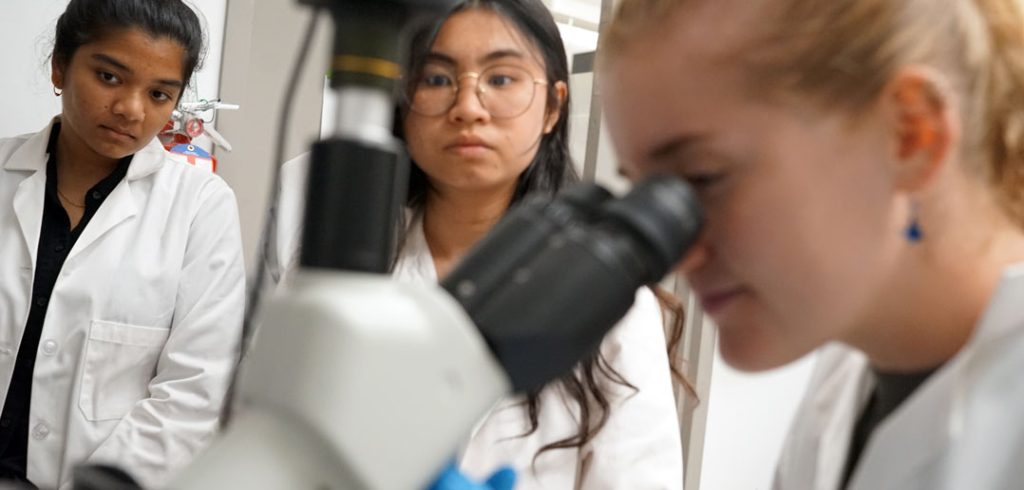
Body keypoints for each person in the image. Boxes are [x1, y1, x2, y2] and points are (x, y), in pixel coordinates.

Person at [593, 0, 1024, 488]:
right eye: (646, 192)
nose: (675, 253)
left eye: (703, 177)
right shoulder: (847, 382)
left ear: (909, 134)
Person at [273, 0, 687, 487]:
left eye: (501, 79)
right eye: (436, 79)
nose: (468, 108)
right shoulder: (339, 271)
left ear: (553, 106)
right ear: (402, 102)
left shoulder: (613, 298)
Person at [0, 0, 245, 487]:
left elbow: (195, 392)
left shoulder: (200, 204)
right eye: (109, 77)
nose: (131, 109)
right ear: (60, 65)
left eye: (159, 93)